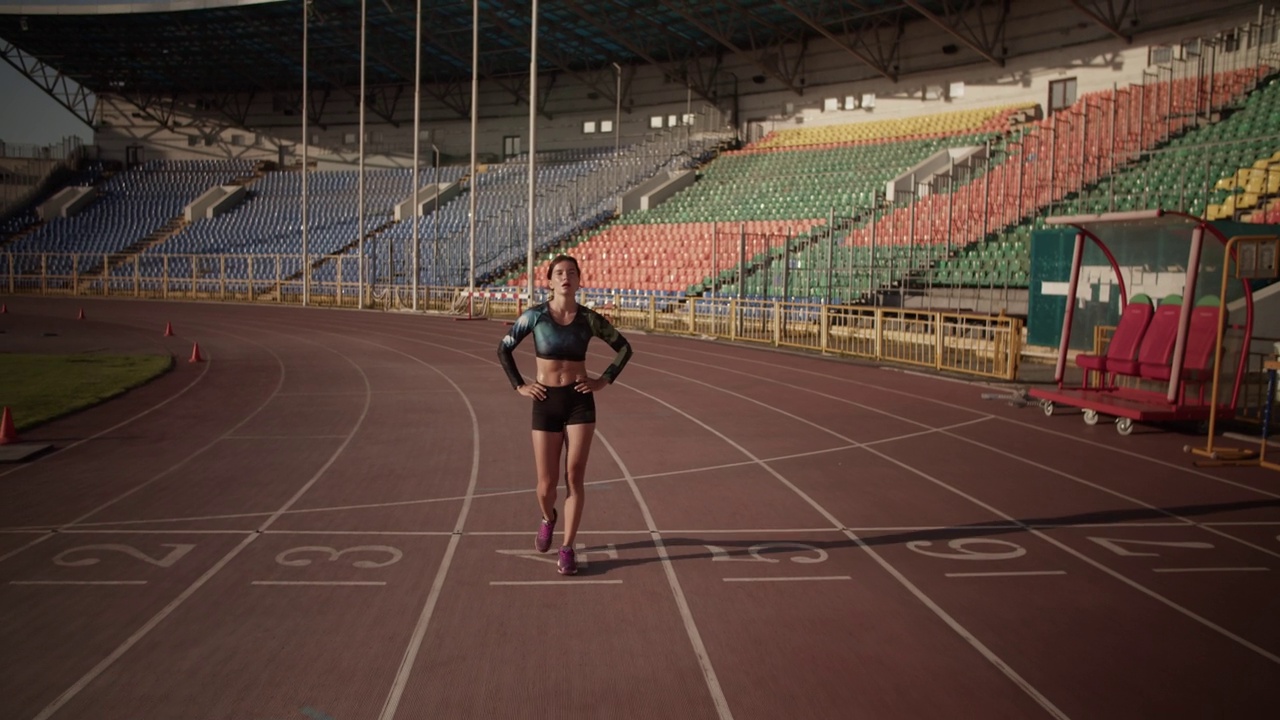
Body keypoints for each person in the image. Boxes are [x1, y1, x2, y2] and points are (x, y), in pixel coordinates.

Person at [496, 255, 633, 575]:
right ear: (550, 281)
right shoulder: (535, 316)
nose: (566, 277)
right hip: (545, 400)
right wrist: (519, 386)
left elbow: (625, 348)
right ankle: (548, 518)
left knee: (574, 477)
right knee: (546, 485)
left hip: (579, 401)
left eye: (572, 272)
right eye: (559, 273)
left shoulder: (589, 319)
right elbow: (504, 348)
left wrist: (603, 380)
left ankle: (568, 547)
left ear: (579, 279)